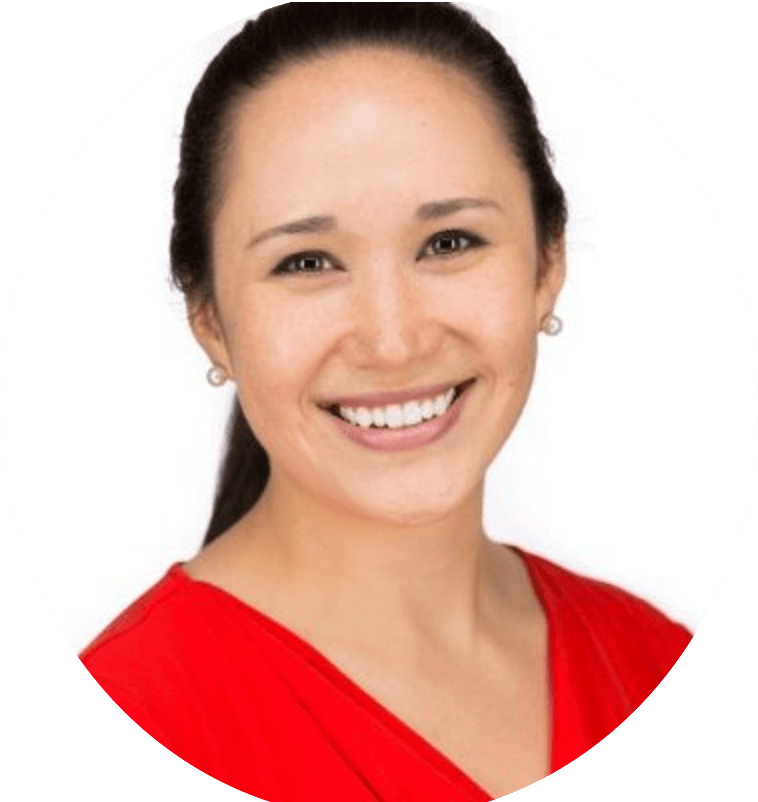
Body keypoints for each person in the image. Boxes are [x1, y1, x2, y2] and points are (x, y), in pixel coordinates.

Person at [79, 4, 692, 799]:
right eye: (306, 262)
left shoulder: (651, 659)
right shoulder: (143, 704)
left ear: (547, 263)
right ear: (210, 321)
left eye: (449, 243)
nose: (394, 341)